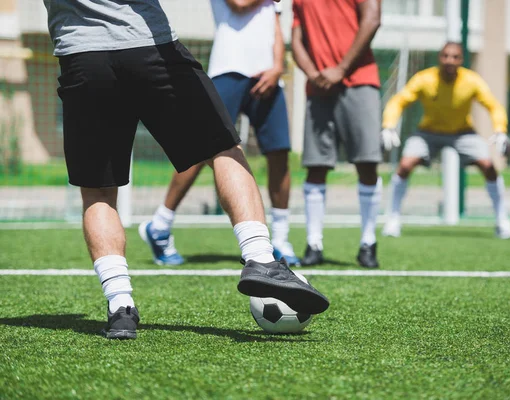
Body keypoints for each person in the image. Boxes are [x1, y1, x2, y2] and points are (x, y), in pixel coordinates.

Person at [44, 0, 329, 340]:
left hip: (81, 55)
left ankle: (120, 307)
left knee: (98, 192)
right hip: (149, 48)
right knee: (224, 149)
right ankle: (261, 259)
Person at [139, 0, 301, 267]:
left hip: (268, 75)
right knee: (202, 147)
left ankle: (281, 239)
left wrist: (277, 66)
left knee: (280, 151)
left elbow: (275, 25)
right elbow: (239, 4)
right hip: (228, 69)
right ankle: (160, 225)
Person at [380, 42, 510, 239]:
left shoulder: (472, 81)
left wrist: (500, 130)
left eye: (455, 57)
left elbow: (493, 106)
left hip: (463, 132)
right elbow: (399, 101)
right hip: (428, 132)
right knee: (405, 165)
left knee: (488, 166)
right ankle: (392, 219)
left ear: (461, 60)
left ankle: (502, 221)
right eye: (445, 56)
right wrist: (388, 125)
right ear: (440, 58)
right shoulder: (424, 79)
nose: (449, 60)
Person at [291, 0, 383, 268]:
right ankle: (314, 244)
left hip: (360, 81)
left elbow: (372, 19)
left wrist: (341, 69)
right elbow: (296, 39)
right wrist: (312, 74)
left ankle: (368, 243)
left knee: (367, 163)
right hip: (318, 86)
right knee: (316, 165)